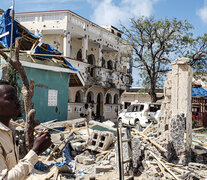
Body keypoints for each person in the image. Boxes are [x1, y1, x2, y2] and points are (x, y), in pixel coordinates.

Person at [0, 80, 52, 180]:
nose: (18, 101)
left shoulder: (9, 129)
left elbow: (13, 169)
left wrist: (38, 149)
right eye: (10, 98)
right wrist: (35, 151)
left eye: (16, 97)